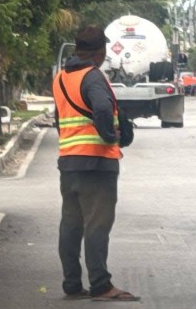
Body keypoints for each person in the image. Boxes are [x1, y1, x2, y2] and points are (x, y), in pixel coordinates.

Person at [52, 25, 139, 302]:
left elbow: (59, 119)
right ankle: (101, 285)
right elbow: (102, 108)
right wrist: (109, 134)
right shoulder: (93, 76)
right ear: (100, 51)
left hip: (69, 161)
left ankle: (72, 284)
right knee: (97, 224)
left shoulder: (61, 78)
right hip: (96, 162)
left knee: (71, 224)